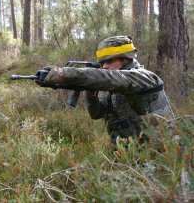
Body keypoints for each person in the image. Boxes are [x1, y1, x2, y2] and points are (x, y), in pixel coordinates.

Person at [40, 35, 174, 145]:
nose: (104, 66)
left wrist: (63, 74)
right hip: (126, 153)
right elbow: (97, 113)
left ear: (126, 59)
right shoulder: (113, 86)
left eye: (109, 61)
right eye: (102, 63)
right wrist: (91, 93)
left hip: (160, 151)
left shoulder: (144, 77)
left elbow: (112, 78)